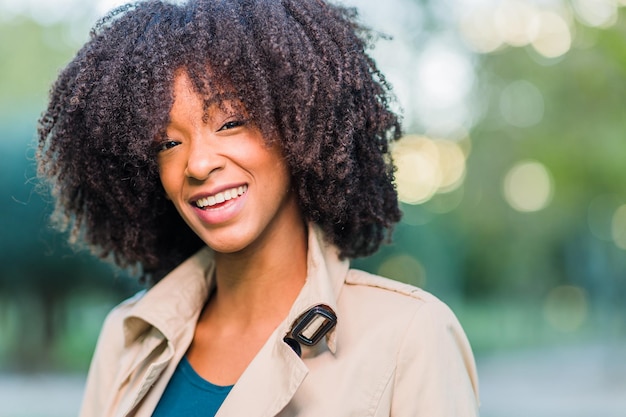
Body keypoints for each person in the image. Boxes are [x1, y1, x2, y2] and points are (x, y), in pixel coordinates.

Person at [37, 0, 479, 415]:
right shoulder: (128, 335)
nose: (198, 163)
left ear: (298, 124)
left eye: (230, 123)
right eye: (167, 143)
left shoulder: (410, 335)